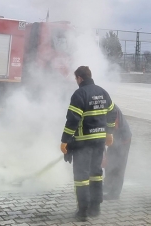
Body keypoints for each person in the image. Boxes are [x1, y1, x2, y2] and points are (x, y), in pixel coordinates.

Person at [60, 66, 117, 221]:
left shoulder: (80, 94)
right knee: (96, 173)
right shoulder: (102, 92)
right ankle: (95, 208)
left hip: (83, 142)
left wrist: (65, 140)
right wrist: (109, 132)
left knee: (81, 176)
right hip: (99, 141)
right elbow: (113, 112)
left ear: (79, 78)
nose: (76, 81)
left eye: (76, 78)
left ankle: (83, 211)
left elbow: (72, 120)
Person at [103, 104, 131, 200]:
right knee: (109, 163)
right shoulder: (101, 106)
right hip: (113, 139)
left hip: (122, 139)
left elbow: (112, 128)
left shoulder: (112, 110)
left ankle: (115, 193)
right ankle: (107, 185)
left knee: (118, 165)